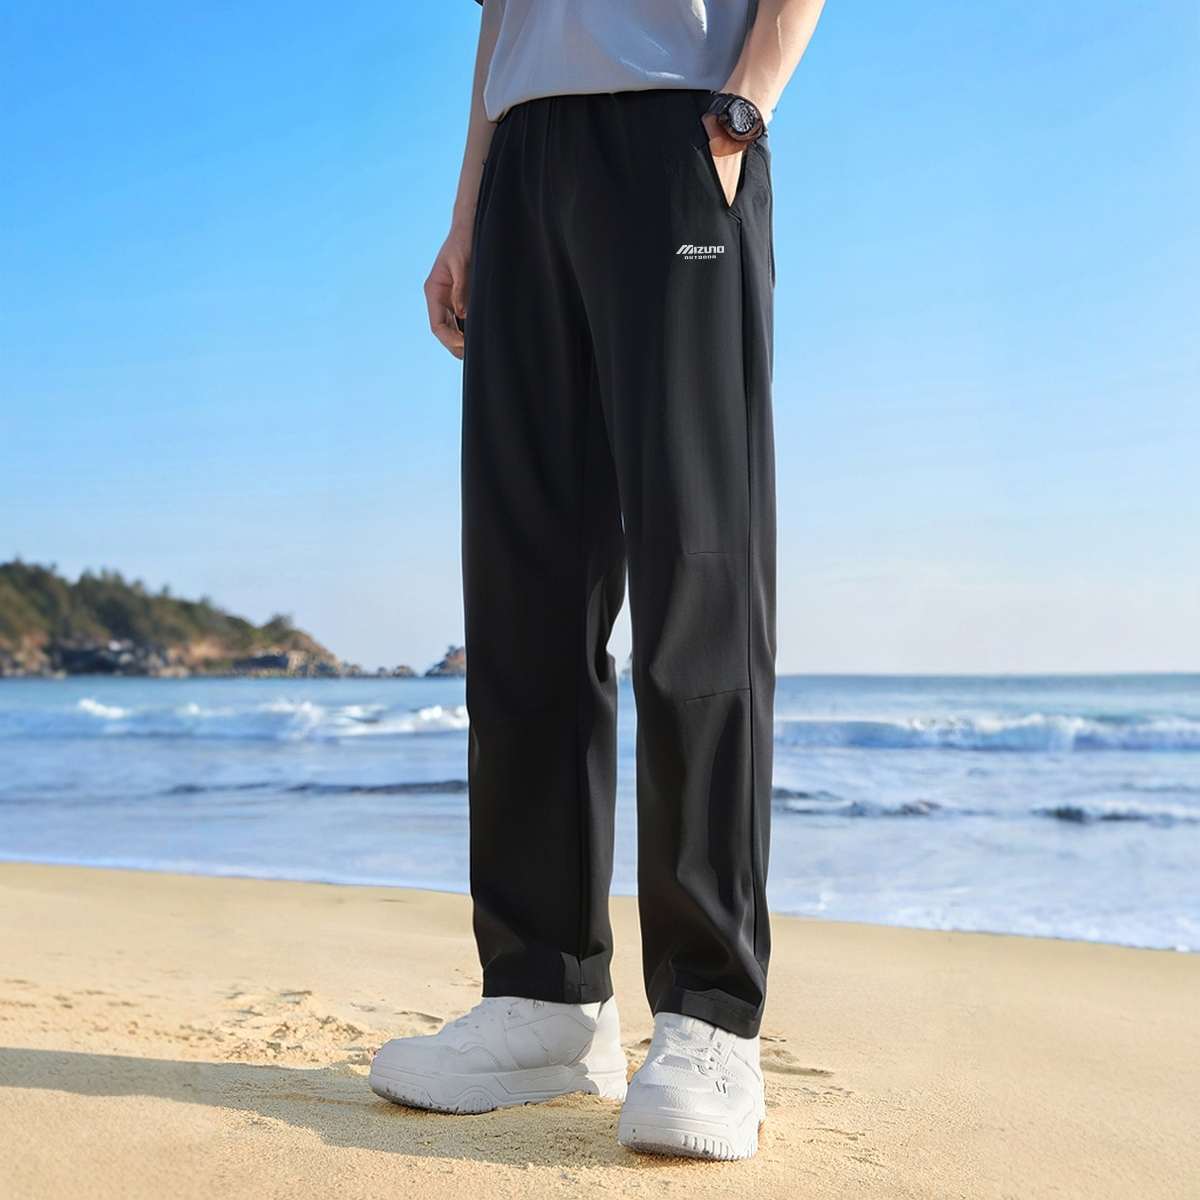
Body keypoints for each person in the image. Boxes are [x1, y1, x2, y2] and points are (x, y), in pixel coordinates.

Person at [369, 0, 825, 1161]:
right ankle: (544, 997)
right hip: (524, 160)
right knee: (525, 592)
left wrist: (744, 108)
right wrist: (469, 211)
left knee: (698, 582)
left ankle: (710, 1019)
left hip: (682, 131)